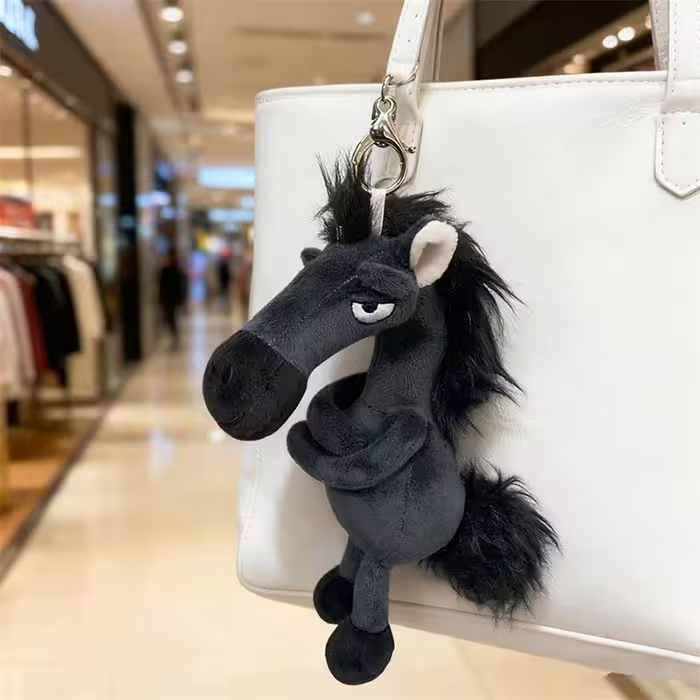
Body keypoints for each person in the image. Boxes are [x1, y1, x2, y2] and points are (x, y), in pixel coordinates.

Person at [158, 253, 187, 350]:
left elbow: (179, 286)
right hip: (168, 299)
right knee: (170, 318)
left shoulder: (172, 271)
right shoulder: (165, 271)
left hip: (171, 299)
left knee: (171, 318)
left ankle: (174, 336)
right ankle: (172, 335)